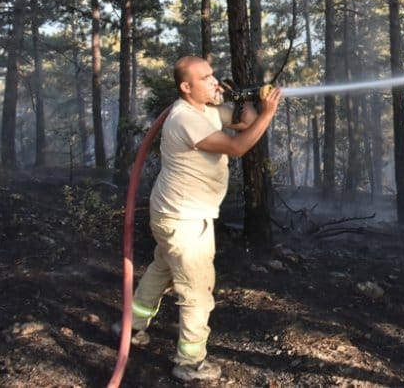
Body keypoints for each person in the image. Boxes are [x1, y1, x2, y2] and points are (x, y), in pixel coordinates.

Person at [113, 55, 282, 382]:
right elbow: (238, 147)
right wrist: (269, 113)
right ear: (186, 87)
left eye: (213, 75)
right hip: (184, 220)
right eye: (205, 78)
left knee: (162, 268)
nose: (214, 81)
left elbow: (243, 123)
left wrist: (243, 100)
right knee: (197, 292)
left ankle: (130, 327)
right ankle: (189, 362)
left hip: (174, 214)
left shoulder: (205, 110)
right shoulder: (184, 118)